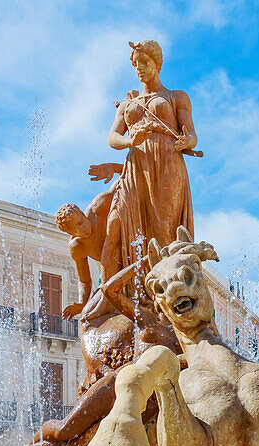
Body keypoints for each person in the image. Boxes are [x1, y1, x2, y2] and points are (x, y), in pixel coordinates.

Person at [104, 40, 197, 297]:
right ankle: (126, 294)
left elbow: (191, 134)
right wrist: (129, 141)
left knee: (164, 231)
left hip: (168, 163)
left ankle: (167, 295)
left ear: (157, 63)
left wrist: (187, 140)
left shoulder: (176, 96)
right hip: (136, 166)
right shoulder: (127, 105)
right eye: (136, 64)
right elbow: (113, 136)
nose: (140, 69)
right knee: (123, 223)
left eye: (145, 63)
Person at [55, 163, 124, 318]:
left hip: (130, 254)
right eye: (75, 229)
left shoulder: (99, 206)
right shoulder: (78, 247)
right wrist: (81, 304)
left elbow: (127, 176)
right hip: (113, 275)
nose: (82, 228)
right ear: (70, 233)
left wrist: (114, 167)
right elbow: (85, 281)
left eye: (80, 221)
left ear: (81, 212)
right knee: (91, 315)